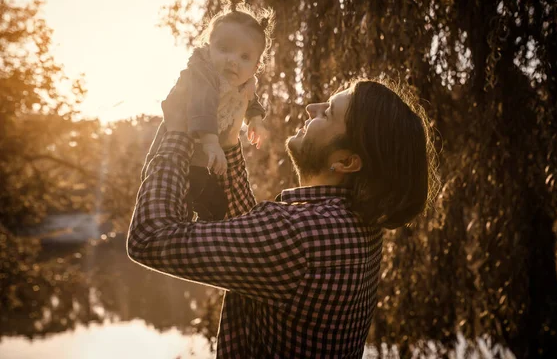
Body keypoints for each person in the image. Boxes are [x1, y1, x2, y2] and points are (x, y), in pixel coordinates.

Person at [127, 78, 437, 357]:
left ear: (346, 161)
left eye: (327, 113)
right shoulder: (352, 223)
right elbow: (254, 241)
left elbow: (149, 237)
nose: (310, 107)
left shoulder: (299, 234)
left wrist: (178, 132)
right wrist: (229, 139)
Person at [141, 0, 274, 221]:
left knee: (209, 198)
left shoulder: (243, 83)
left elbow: (252, 100)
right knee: (180, 194)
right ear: (208, 46)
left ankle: (205, 220)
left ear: (255, 67)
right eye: (224, 49)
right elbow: (203, 103)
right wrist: (212, 142)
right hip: (177, 148)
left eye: (244, 57)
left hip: (204, 158)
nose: (233, 60)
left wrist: (255, 120)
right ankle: (183, 218)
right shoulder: (201, 73)